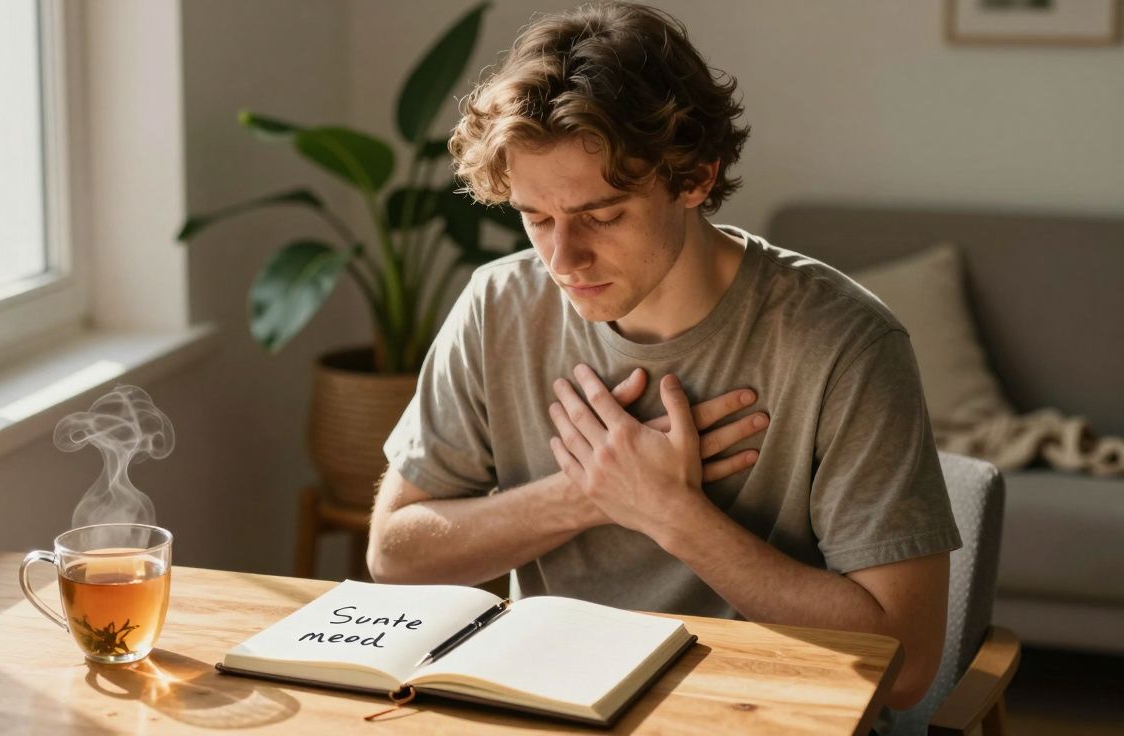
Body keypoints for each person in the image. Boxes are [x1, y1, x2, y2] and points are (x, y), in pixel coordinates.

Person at [368, 1, 961, 712]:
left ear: (696, 179)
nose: (562, 257)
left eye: (602, 215)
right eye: (536, 218)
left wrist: (670, 513)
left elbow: (908, 666)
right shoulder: (498, 307)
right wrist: (587, 493)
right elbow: (394, 557)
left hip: (769, 711)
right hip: (552, 704)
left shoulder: (844, 346)